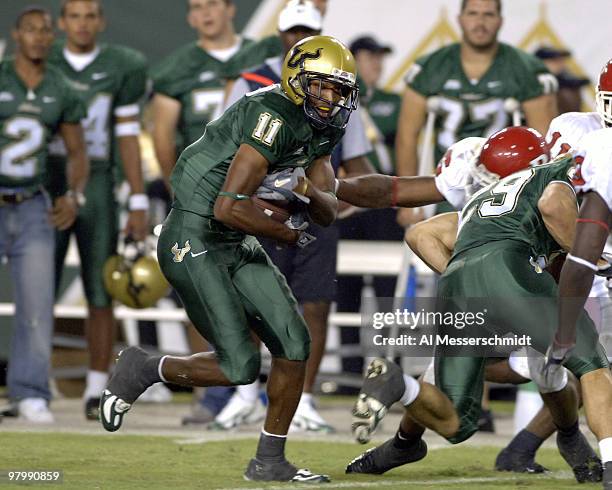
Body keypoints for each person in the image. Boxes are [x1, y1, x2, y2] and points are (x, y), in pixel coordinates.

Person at [100, 35, 358, 483]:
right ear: (297, 79)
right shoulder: (272, 115)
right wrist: (287, 231)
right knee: (238, 365)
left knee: (294, 344)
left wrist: (305, 192)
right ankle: (144, 368)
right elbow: (228, 206)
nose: (331, 98)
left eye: (339, 90)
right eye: (322, 86)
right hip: (195, 232)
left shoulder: (325, 125)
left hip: (237, 236)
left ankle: (270, 461)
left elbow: (329, 209)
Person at [344, 128, 610, 486]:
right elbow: (552, 206)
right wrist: (593, 260)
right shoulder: (561, 174)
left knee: (458, 421)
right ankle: (609, 462)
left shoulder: (481, 202)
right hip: (516, 271)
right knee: (591, 363)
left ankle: (398, 384)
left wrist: (472, 284)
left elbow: (420, 234)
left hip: (461, 281)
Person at [202, 0, 374, 433]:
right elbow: (223, 150)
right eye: (293, 32)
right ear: (281, 37)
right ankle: (245, 394)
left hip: (309, 207)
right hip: (258, 206)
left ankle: (307, 400)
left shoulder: (337, 85)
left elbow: (355, 162)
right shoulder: (252, 83)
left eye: (307, 31)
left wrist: (334, 199)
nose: (299, 39)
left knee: (315, 302)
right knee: (252, 301)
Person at [46, 0, 149, 421]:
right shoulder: (43, 59)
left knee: (100, 288)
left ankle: (95, 386)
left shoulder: (121, 65)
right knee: (37, 289)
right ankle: (31, 386)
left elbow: (126, 133)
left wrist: (138, 198)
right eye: (75, 16)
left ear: (101, 22)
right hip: (47, 178)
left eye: (90, 16)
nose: (83, 24)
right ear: (61, 22)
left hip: (101, 179)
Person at [395, 0, 558, 226]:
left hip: (505, 186)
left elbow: (542, 145)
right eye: (473, 13)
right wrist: (407, 202)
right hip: (447, 183)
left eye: (488, 15)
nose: (480, 22)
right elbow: (407, 136)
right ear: (460, 19)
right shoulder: (431, 68)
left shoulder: (525, 70)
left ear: (500, 21)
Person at [0, 6, 88, 423]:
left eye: (45, 31)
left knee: (37, 305)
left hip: (33, 204)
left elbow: (77, 151)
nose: (38, 37)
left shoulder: (61, 87)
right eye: (31, 30)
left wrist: (73, 194)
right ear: (16, 35)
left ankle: (30, 392)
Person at [549, 60, 612, 490]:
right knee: (579, 363)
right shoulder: (584, 134)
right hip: (581, 259)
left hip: (586, 262)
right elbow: (556, 207)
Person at [350, 35, 400, 175]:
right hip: (356, 182)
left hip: (394, 180)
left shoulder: (394, 100)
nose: (377, 63)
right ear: (352, 61)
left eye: (380, 58)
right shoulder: (337, 100)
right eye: (371, 57)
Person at [534, 46, 590, 114]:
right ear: (539, 62)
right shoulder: (534, 86)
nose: (560, 63)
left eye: (561, 59)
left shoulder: (566, 76)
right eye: (554, 60)